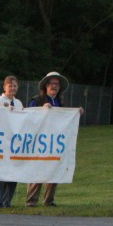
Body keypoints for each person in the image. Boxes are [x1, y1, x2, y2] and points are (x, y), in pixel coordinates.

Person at [26, 71, 70, 207]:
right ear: (46, 85)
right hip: (40, 140)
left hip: (55, 141)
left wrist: (76, 113)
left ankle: (49, 200)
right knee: (38, 169)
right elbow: (29, 117)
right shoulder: (37, 100)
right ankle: (31, 201)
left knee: (54, 169)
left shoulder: (60, 102)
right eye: (52, 84)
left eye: (57, 84)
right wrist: (41, 109)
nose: (54, 86)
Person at [0, 76, 24, 209]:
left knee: (13, 172)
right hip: (1, 141)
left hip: (14, 142)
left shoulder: (19, 103)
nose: (13, 88)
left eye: (15, 86)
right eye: (10, 86)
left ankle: (7, 201)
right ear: (5, 87)